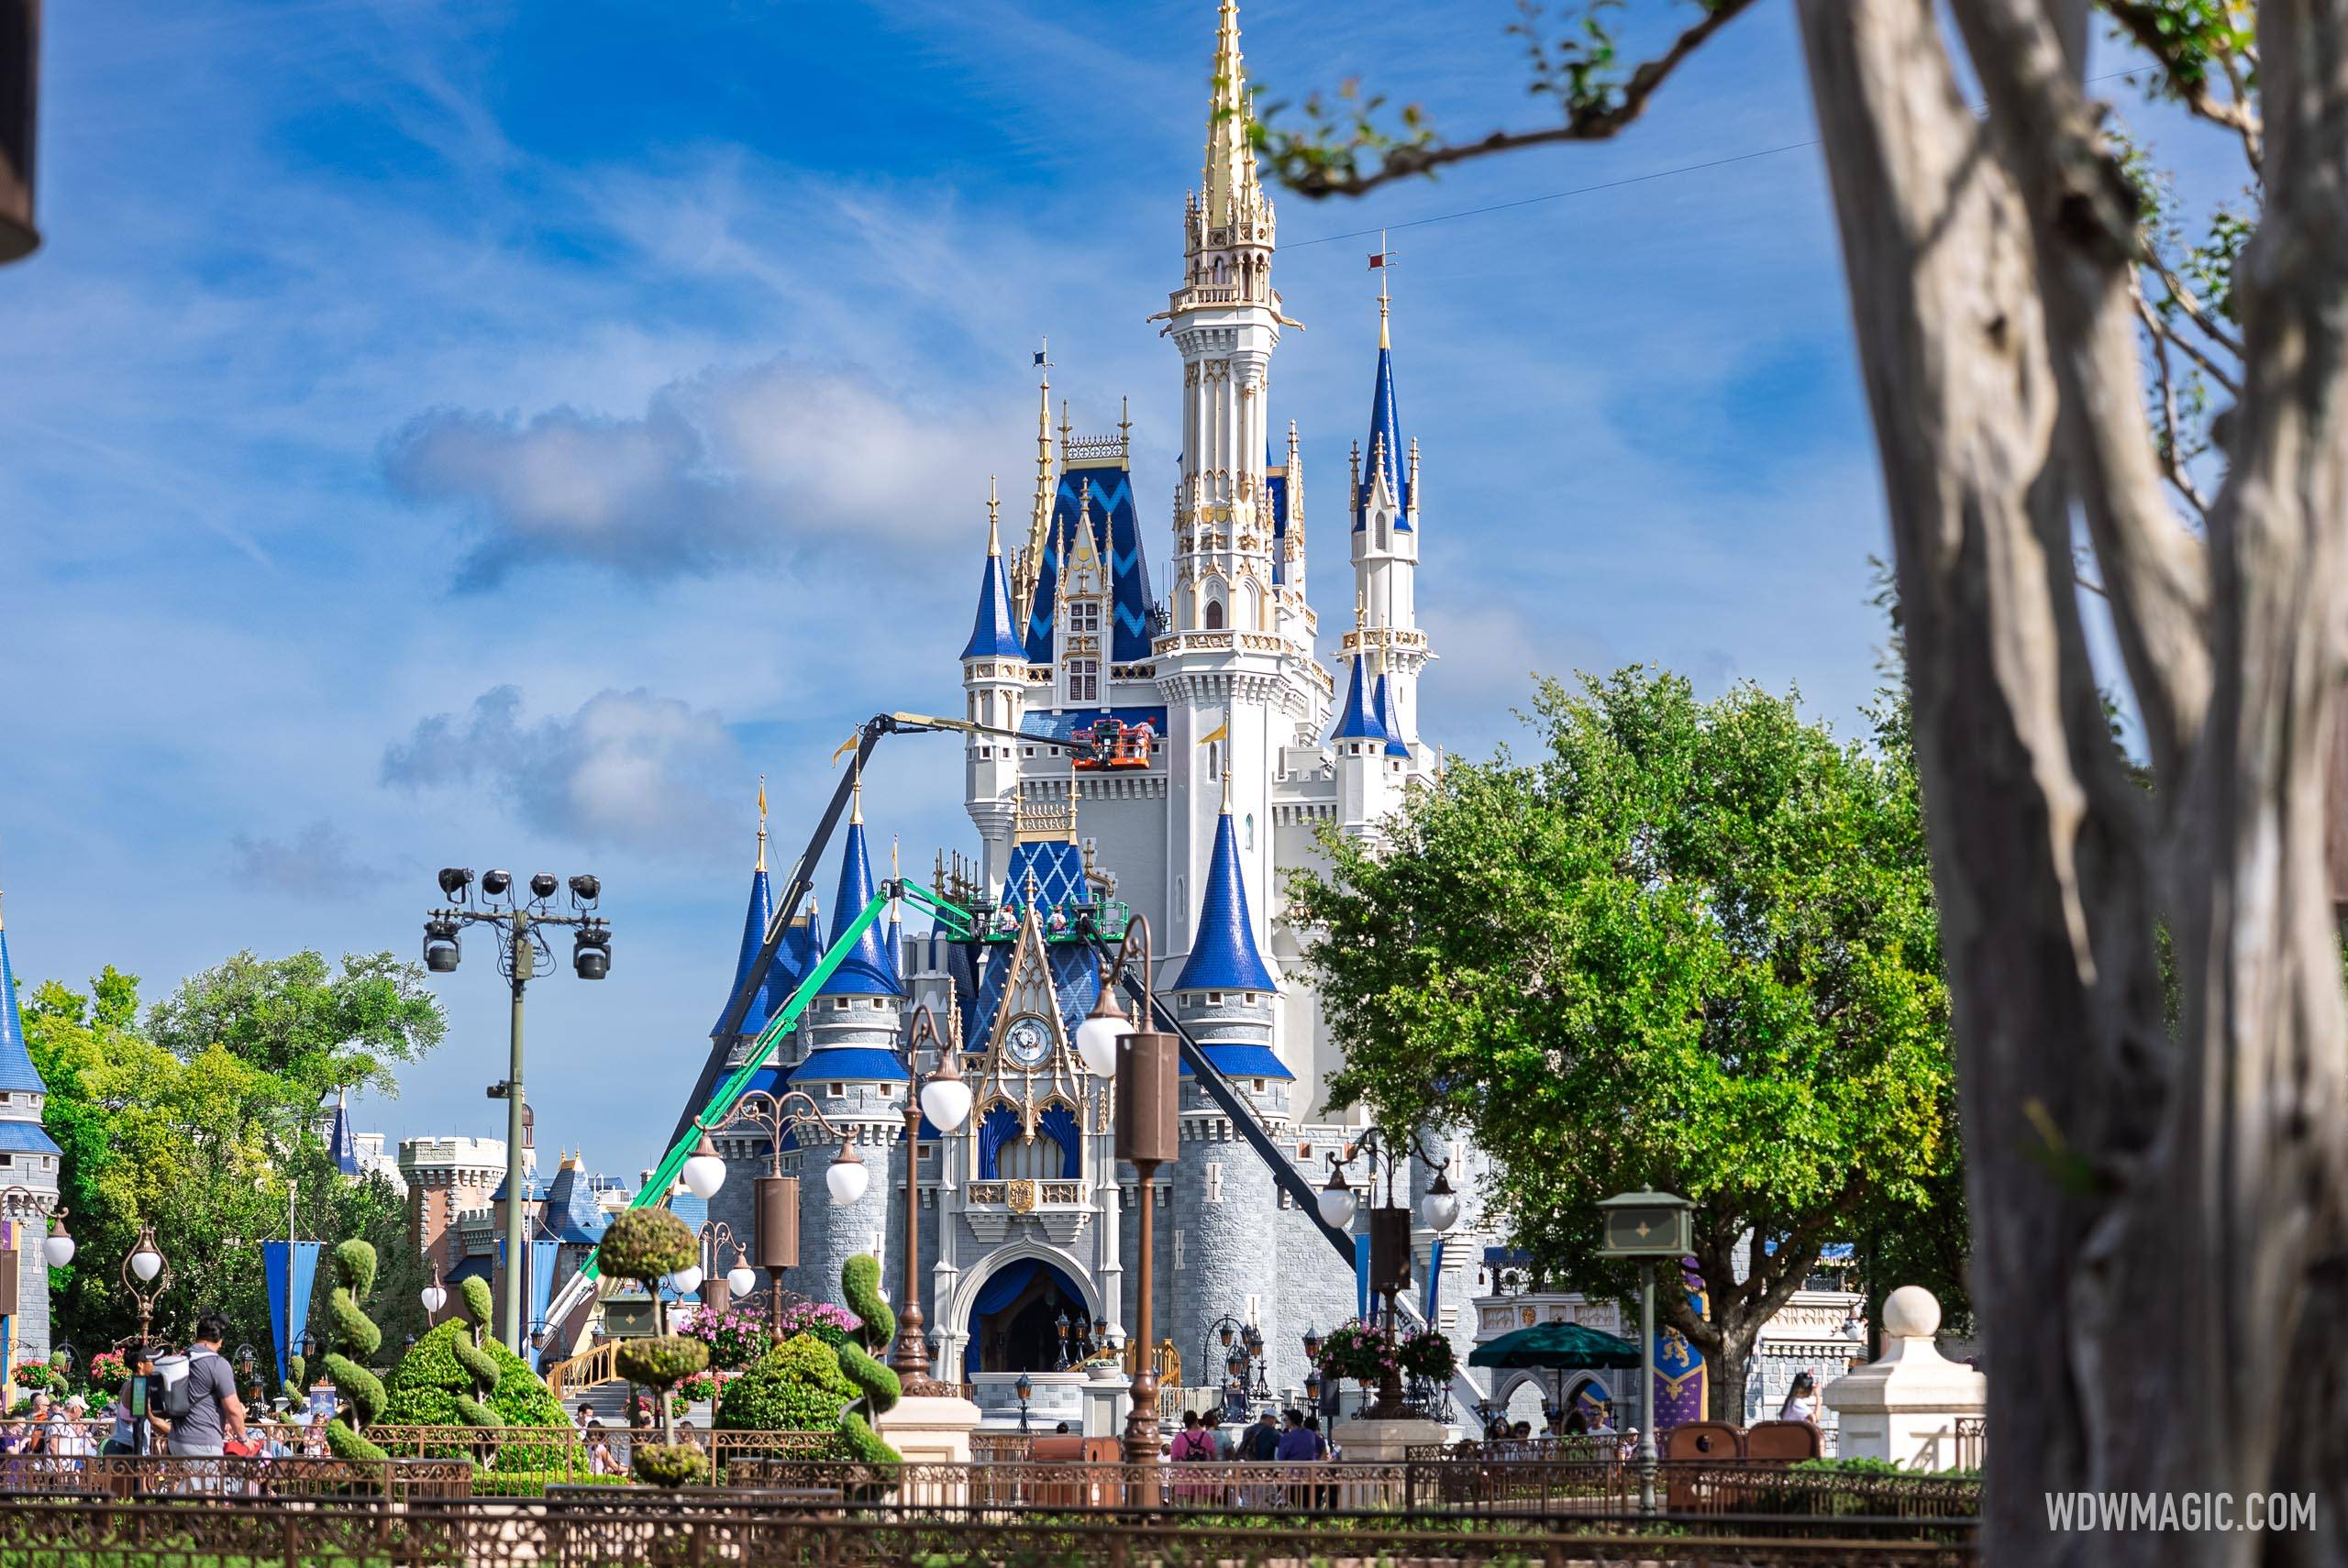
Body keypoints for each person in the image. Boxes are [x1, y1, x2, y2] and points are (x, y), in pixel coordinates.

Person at [168, 1315, 249, 1458]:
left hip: (174, 1442)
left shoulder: (181, 1359)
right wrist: (244, 1438)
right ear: (219, 1340)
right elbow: (233, 1408)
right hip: (202, 1444)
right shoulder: (217, 1363)